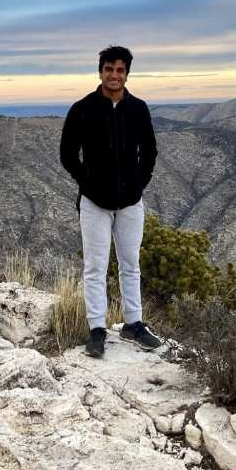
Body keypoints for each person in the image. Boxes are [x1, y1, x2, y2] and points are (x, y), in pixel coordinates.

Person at [59, 44, 162, 358]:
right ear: (100, 71)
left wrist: (137, 185)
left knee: (131, 265)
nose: (114, 75)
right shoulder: (82, 108)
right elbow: (67, 154)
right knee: (95, 267)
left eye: (120, 70)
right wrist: (87, 182)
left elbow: (150, 153)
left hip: (131, 203)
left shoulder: (138, 109)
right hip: (94, 203)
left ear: (127, 73)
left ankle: (133, 324)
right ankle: (96, 330)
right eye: (109, 69)